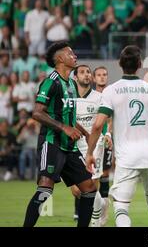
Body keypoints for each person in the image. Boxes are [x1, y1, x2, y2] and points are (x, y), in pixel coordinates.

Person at [85, 45, 148, 227]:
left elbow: (98, 124)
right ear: (140, 64)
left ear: (119, 64)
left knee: (121, 205)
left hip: (127, 157)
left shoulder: (111, 91)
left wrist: (90, 152)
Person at [22, 42, 97, 227]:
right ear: (60, 59)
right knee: (45, 189)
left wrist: (84, 132)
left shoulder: (71, 83)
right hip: (52, 142)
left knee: (89, 189)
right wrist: (64, 128)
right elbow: (37, 113)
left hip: (69, 147)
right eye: (70, 53)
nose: (75, 56)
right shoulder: (51, 81)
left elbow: (68, 114)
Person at [70, 65, 111, 226]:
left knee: (90, 185)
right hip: (74, 146)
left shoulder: (99, 97)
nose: (86, 75)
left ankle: (94, 221)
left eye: (88, 72)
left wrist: (106, 134)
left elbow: (104, 120)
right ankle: (100, 207)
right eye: (82, 72)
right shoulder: (69, 98)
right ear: (75, 77)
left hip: (94, 146)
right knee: (78, 189)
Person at [93, 66, 112, 226]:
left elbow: (110, 119)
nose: (102, 77)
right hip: (91, 140)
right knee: (90, 177)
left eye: (104, 74)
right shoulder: (90, 96)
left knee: (104, 174)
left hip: (106, 140)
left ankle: (104, 208)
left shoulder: (110, 95)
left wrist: (109, 134)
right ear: (94, 78)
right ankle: (82, 210)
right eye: (99, 75)